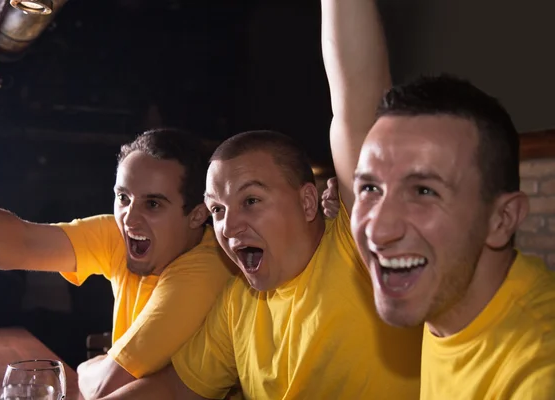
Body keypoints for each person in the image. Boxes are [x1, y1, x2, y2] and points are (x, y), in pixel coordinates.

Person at [101, 0, 422, 399]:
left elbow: (358, 96)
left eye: (251, 201)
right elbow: (174, 390)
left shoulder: (358, 252)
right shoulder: (240, 301)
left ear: (309, 203)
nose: (228, 226)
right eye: (217, 209)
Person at [0, 128, 235, 399]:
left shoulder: (206, 268)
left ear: (197, 216)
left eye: (153, 205)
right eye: (123, 198)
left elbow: (105, 386)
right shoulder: (121, 235)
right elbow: (12, 245)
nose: (129, 219)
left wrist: (88, 366)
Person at [323, 74, 555, 398]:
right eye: (370, 188)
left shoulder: (538, 376)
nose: (378, 230)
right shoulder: (444, 293)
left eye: (424, 191)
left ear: (502, 220)